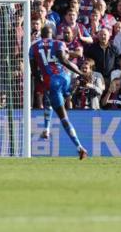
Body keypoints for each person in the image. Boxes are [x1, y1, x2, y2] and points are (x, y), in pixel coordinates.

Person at [29, 26, 88, 160]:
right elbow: (63, 59)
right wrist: (80, 73)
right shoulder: (58, 43)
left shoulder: (33, 48)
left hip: (51, 81)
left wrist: (42, 83)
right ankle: (47, 128)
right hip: (65, 77)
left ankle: (80, 147)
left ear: (41, 35)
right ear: (52, 34)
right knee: (55, 97)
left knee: (63, 116)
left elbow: (34, 71)